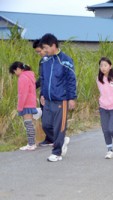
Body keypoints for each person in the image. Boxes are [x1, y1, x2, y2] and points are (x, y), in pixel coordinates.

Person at [39, 33, 77, 162]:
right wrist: (42, 95)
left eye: (45, 48)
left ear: (53, 45)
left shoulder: (65, 60)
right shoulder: (44, 60)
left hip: (61, 99)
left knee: (59, 127)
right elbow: (43, 79)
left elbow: (71, 80)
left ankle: (57, 152)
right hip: (48, 100)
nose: (44, 51)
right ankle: (61, 139)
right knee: (45, 125)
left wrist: (72, 98)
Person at [9, 62, 38, 151]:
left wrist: (20, 107)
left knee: (28, 124)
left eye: (14, 72)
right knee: (30, 124)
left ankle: (31, 144)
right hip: (31, 102)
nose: (15, 74)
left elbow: (22, 94)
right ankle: (32, 143)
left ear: (18, 69)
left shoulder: (22, 78)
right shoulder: (30, 76)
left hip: (26, 104)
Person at [33, 39, 52, 146]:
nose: (39, 54)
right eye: (37, 52)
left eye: (40, 51)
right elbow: (41, 78)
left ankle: (57, 138)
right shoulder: (42, 61)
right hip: (44, 92)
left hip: (53, 93)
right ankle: (49, 138)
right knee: (45, 117)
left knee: (51, 117)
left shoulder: (53, 59)